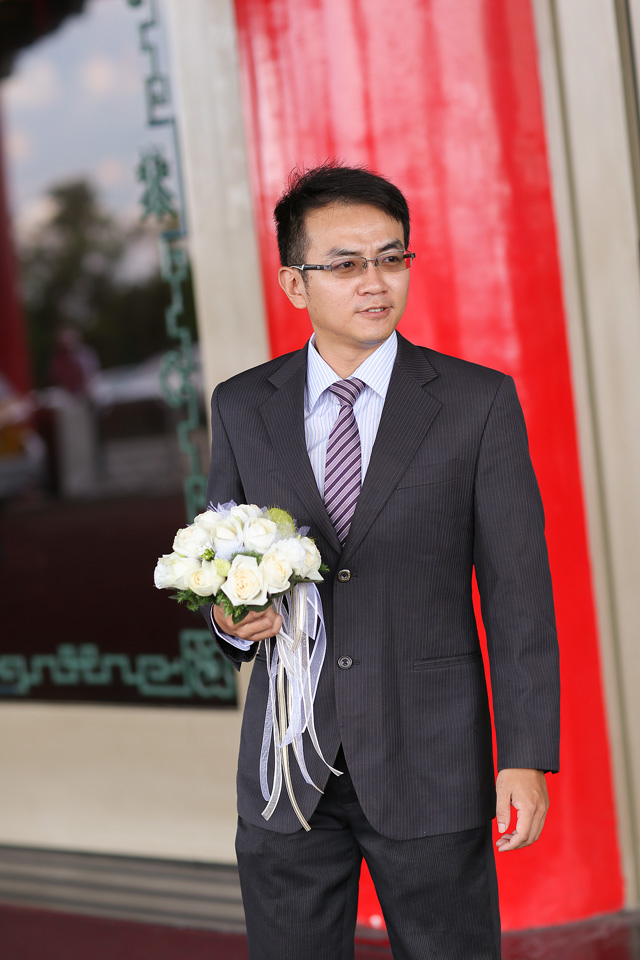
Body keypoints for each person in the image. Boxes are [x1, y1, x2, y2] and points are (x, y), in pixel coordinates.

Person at [202, 163, 560, 960]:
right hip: (288, 764)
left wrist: (525, 755)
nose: (375, 281)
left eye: (392, 258)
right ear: (295, 284)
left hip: (431, 755)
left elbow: (519, 596)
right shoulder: (243, 404)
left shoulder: (476, 402)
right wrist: (228, 619)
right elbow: (220, 554)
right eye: (345, 263)